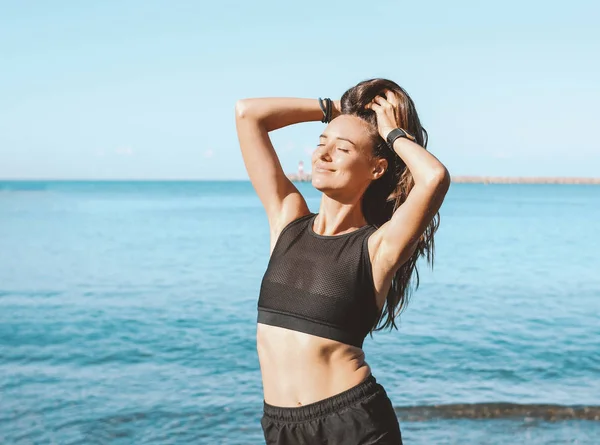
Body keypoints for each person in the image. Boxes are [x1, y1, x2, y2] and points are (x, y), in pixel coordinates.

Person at [235, 78, 450, 444]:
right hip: (280, 427)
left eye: (343, 149)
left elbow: (433, 178)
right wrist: (339, 109)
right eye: (322, 144)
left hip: (352, 426)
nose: (324, 155)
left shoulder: (377, 249)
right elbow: (247, 114)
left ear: (377, 168)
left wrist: (393, 132)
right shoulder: (287, 221)